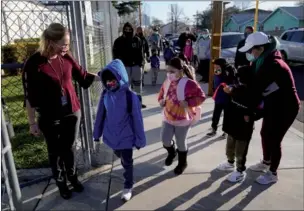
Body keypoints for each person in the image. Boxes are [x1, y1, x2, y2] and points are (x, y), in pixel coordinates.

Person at [22, 23, 100, 199]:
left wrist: (105, 76)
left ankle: (73, 178)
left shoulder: (66, 56)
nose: (67, 47)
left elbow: (83, 76)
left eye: (68, 43)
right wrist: (32, 122)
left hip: (72, 112)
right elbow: (29, 97)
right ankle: (61, 184)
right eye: (63, 44)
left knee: (69, 149)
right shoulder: (34, 64)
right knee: (55, 152)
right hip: (50, 116)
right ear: (50, 41)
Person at [235, 32, 300, 185]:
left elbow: (255, 91)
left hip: (286, 107)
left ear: (261, 48)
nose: (250, 54)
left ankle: (272, 173)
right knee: (265, 133)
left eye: (252, 50)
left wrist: (247, 110)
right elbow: (252, 78)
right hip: (272, 104)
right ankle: (266, 162)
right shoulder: (262, 61)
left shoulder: (273, 64)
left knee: (274, 139)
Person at [93, 59, 146, 201]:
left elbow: (137, 120)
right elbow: (100, 115)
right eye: (107, 81)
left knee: (127, 161)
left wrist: (140, 140)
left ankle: (128, 186)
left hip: (127, 137)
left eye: (113, 81)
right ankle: (125, 166)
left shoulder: (131, 97)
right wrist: (97, 133)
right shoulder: (105, 95)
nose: (110, 84)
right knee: (119, 155)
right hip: (112, 136)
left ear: (120, 79)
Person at [158, 57, 206, 175]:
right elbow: (161, 94)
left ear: (181, 71)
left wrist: (189, 103)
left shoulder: (189, 83)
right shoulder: (167, 82)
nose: (169, 74)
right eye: (167, 71)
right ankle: (171, 152)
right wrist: (161, 101)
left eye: (172, 71)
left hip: (183, 119)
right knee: (165, 139)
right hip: (168, 117)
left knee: (181, 142)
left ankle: (182, 163)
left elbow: (201, 97)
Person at [217, 65, 262, 182]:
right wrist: (229, 91)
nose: (238, 79)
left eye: (240, 77)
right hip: (233, 123)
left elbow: (257, 108)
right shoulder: (237, 87)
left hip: (243, 127)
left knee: (240, 151)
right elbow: (233, 95)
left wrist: (251, 115)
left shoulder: (254, 92)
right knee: (230, 146)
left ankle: (240, 171)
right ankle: (230, 162)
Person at [113, 22, 146, 108]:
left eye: (130, 29)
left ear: (132, 29)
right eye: (126, 29)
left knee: (138, 87)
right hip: (125, 67)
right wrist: (118, 67)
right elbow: (115, 55)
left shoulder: (137, 40)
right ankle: (126, 104)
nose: (128, 31)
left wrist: (141, 64)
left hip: (136, 67)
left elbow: (141, 53)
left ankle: (138, 103)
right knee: (125, 87)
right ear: (123, 30)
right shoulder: (118, 41)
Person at [207, 58, 236, 138]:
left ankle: (226, 131)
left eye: (216, 65)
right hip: (218, 97)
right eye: (214, 65)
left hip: (227, 97)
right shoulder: (217, 70)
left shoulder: (229, 71)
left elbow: (233, 83)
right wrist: (213, 89)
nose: (215, 66)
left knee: (227, 115)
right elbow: (215, 81)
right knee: (216, 114)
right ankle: (213, 129)